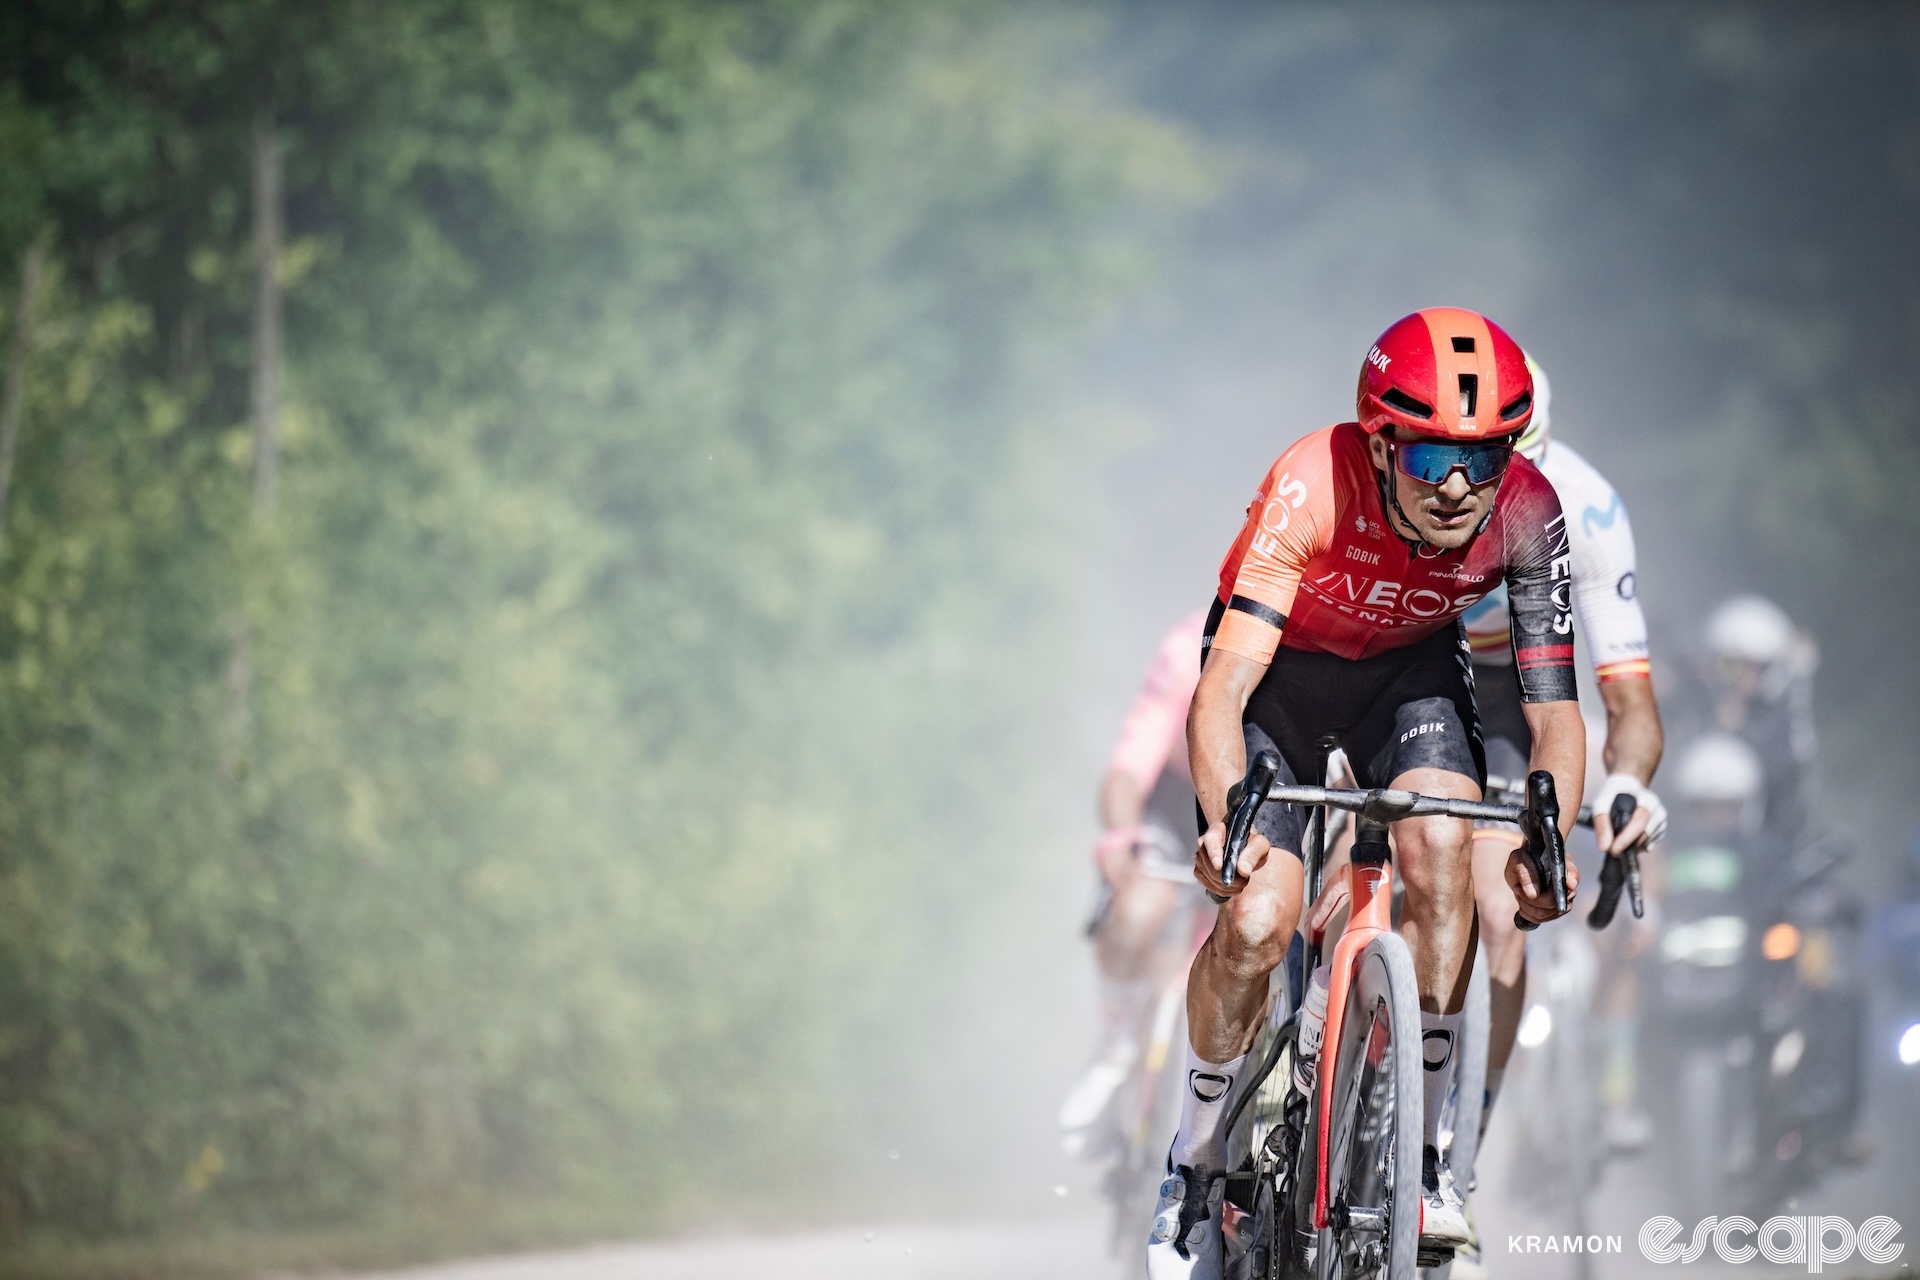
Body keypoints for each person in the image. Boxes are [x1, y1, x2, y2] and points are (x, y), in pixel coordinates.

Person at [1148, 308, 1586, 1280]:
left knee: (1442, 850)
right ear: (1380, 445)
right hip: (1280, 679)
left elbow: (1556, 709)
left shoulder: (1527, 508)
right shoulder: (1312, 479)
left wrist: (1547, 830)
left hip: (1405, 675)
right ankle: (1194, 1156)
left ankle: (1421, 1155)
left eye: (1486, 456)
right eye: (1431, 462)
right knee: (1258, 917)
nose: (1462, 487)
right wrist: (1229, 825)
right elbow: (1219, 688)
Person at [1458, 354, 1666, 1160]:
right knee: (1341, 842)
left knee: (1500, 912)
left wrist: (1628, 784)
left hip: (1515, 685)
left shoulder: (1589, 512)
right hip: (1404, 652)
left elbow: (1629, 701)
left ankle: (1454, 1160)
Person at [1059, 608, 1208, 1155]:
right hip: (1171, 805)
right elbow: (1128, 766)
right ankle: (1117, 1038)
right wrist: (1122, 837)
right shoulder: (1186, 647)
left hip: (1251, 809)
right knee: (1140, 910)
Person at [1694, 594, 1819, 843]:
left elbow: (1788, 775)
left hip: (1756, 848)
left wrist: (1738, 733)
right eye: (1729, 664)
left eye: (1749, 666)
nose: (1737, 676)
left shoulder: (1783, 722)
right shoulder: (1698, 705)